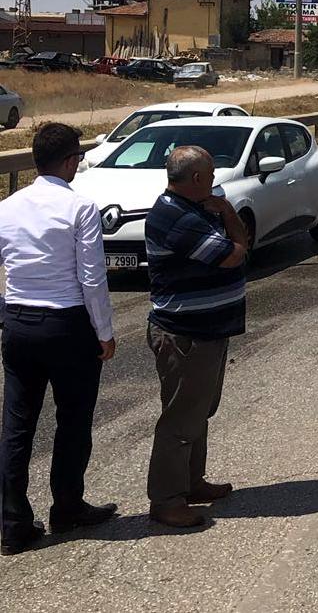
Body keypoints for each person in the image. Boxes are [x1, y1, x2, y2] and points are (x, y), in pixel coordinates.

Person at [0, 123, 117, 555]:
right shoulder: (79, 206)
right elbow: (91, 276)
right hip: (67, 325)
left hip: (18, 324)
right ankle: (66, 508)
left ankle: (13, 524)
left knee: (16, 425)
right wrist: (104, 331)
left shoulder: (7, 206)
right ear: (70, 160)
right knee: (72, 419)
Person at [143, 145, 250, 529]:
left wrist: (221, 214)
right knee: (181, 417)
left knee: (199, 410)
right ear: (198, 179)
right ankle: (167, 500)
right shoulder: (177, 217)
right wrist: (230, 215)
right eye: (211, 174)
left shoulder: (192, 209)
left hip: (206, 330)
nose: (216, 181)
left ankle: (191, 482)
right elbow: (235, 254)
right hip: (185, 335)